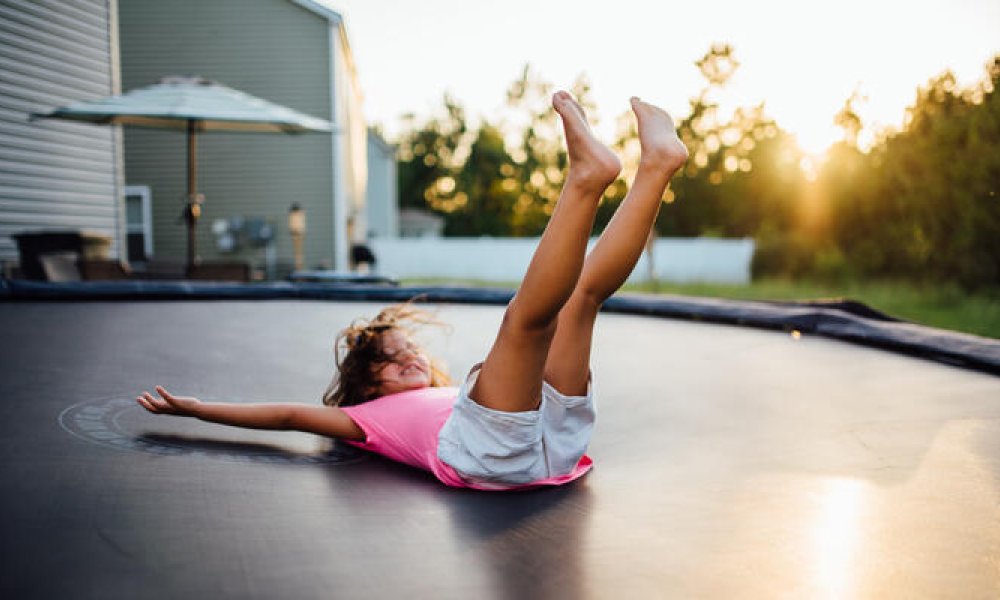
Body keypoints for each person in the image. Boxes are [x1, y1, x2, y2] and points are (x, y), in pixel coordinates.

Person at [137, 92, 688, 491]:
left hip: (558, 447)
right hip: (484, 454)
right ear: (365, 384)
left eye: (406, 349)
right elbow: (288, 416)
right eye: (387, 357)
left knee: (583, 299)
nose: (404, 356)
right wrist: (200, 410)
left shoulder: (449, 397)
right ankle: (586, 179)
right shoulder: (365, 421)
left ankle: (658, 167)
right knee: (525, 322)